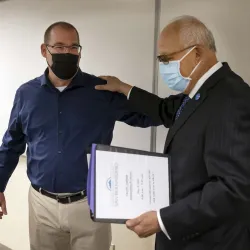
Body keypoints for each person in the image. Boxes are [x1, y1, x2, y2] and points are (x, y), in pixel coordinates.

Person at [0, 21, 164, 250]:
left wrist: (126, 88)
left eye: (73, 47)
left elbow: (154, 116)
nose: (67, 53)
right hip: (41, 204)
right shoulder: (26, 94)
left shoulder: (102, 91)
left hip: (89, 204)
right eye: (59, 47)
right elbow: (11, 144)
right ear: (43, 50)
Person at [95, 15, 250, 250]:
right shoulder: (200, 91)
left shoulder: (231, 98)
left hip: (207, 241)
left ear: (196, 53)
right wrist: (123, 88)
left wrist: (162, 219)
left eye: (166, 59)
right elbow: (165, 110)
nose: (163, 67)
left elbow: (233, 188)